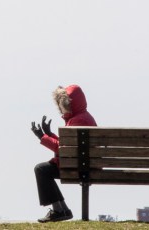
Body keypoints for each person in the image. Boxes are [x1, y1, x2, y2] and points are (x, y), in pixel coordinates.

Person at [31, 84, 97, 223]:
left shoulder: (77, 120)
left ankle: (59, 210)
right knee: (44, 170)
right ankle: (62, 210)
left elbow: (63, 150)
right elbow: (68, 146)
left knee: (41, 170)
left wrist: (42, 137)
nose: (61, 108)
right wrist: (50, 134)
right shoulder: (84, 117)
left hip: (78, 168)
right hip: (84, 165)